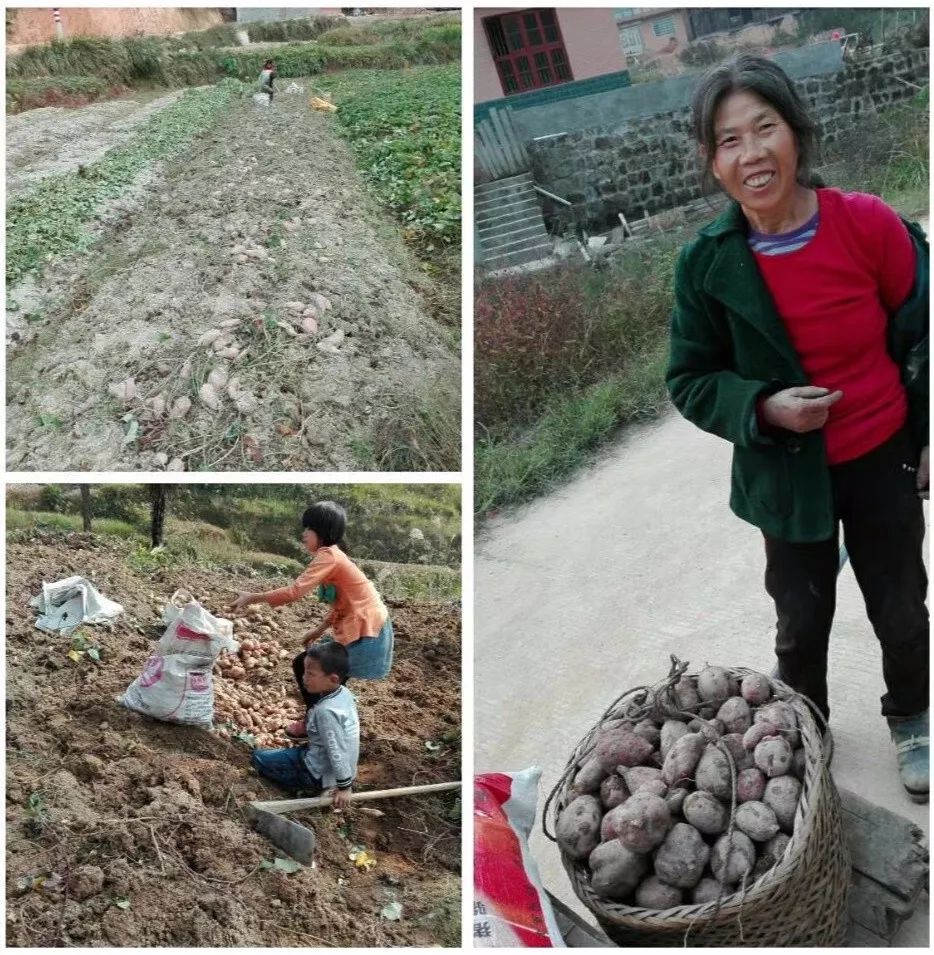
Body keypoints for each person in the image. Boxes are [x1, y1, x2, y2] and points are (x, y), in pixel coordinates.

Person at [666, 54, 929, 802]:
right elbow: (690, 378)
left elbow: (923, 327)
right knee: (800, 617)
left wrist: (928, 430)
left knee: (901, 601)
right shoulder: (706, 266)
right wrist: (761, 407)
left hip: (879, 453)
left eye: (765, 128)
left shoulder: (865, 224)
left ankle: (912, 715)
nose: (751, 154)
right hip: (784, 470)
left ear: (797, 134)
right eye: (728, 140)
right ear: (712, 162)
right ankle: (806, 724)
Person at [230, 501, 394, 738]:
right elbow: (341, 604)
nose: (304, 534)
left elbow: (295, 590)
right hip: (363, 625)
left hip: (366, 629)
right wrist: (318, 630)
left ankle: (315, 723)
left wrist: (253, 597)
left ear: (323, 531)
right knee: (330, 678)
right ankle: (321, 723)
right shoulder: (333, 557)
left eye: (309, 528)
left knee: (310, 668)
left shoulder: (329, 556)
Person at [251, 642, 359, 807]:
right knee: (278, 754)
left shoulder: (326, 712)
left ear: (333, 679)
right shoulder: (344, 693)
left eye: (310, 674)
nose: (303, 678)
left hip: (317, 772)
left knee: (259, 758)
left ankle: (308, 787)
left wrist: (345, 787)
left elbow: (337, 751)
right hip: (337, 766)